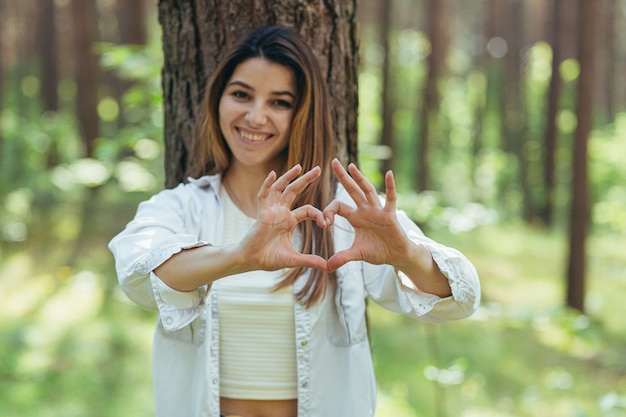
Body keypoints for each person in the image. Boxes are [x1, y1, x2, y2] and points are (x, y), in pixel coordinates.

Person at [108, 24, 480, 417]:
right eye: (241, 94)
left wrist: (405, 254)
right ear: (218, 100)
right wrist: (240, 257)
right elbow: (138, 276)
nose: (255, 116)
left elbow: (461, 299)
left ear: (302, 113)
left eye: (280, 102)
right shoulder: (182, 206)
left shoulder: (339, 214)